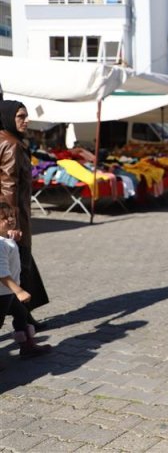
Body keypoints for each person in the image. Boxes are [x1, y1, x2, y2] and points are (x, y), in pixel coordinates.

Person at [0, 101, 49, 330]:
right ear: (9, 117)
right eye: (21, 116)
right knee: (19, 269)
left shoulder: (4, 140)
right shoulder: (12, 145)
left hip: (6, 217)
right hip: (11, 219)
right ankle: (24, 325)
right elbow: (8, 186)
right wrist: (12, 223)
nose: (26, 120)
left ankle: (25, 325)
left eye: (27, 116)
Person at [0, 202, 51, 367]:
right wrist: (19, 291)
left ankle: (27, 346)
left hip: (8, 293)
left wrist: (12, 238)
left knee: (22, 314)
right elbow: (1, 274)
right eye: (4, 218)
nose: (10, 220)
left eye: (12, 216)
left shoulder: (5, 239)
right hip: (2, 293)